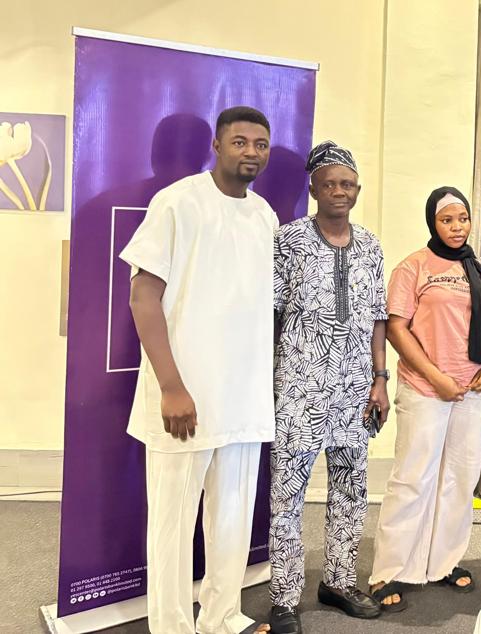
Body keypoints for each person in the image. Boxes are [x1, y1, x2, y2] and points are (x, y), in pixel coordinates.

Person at [122, 106, 276, 634]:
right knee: (172, 524)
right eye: (240, 141)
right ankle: (170, 626)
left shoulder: (264, 215)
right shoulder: (177, 203)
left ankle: (221, 615)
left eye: (260, 144)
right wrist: (171, 386)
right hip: (183, 397)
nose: (251, 152)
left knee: (231, 518)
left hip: (242, 397)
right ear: (217, 145)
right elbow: (143, 297)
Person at [267, 141, 389, 634]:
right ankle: (283, 598)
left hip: (355, 388)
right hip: (301, 386)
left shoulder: (371, 246)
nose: (340, 191)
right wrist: (268, 379)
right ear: (314, 189)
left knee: (352, 488)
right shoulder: (288, 240)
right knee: (288, 493)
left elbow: (379, 318)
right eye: (331, 184)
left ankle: (338, 582)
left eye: (348, 184)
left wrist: (380, 380)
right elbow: (271, 314)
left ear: (358, 190)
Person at [367, 186, 481, 610]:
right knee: (413, 477)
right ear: (432, 223)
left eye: (463, 218)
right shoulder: (413, 267)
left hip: (471, 391)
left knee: (459, 479)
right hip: (425, 388)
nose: (457, 227)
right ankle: (389, 569)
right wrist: (436, 377)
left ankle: (442, 562)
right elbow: (396, 328)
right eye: (447, 220)